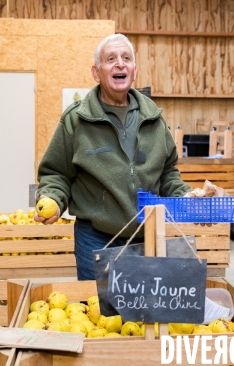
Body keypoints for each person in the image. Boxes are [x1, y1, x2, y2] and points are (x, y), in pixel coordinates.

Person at [34, 33, 191, 280]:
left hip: (147, 235)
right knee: (97, 313)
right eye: (111, 59)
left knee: (143, 314)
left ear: (134, 71)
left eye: (126, 58)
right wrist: (53, 197)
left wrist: (186, 197)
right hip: (95, 239)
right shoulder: (77, 119)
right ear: (96, 73)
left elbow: (168, 172)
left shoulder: (154, 119)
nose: (120, 63)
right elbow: (56, 172)